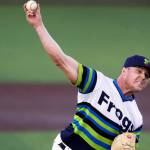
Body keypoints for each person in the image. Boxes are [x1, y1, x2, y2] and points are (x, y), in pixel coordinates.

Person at [23, 3, 150, 150]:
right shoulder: (97, 82)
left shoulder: (136, 119)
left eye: (147, 75)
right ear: (124, 71)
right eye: (139, 71)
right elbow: (61, 60)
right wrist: (38, 26)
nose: (143, 77)